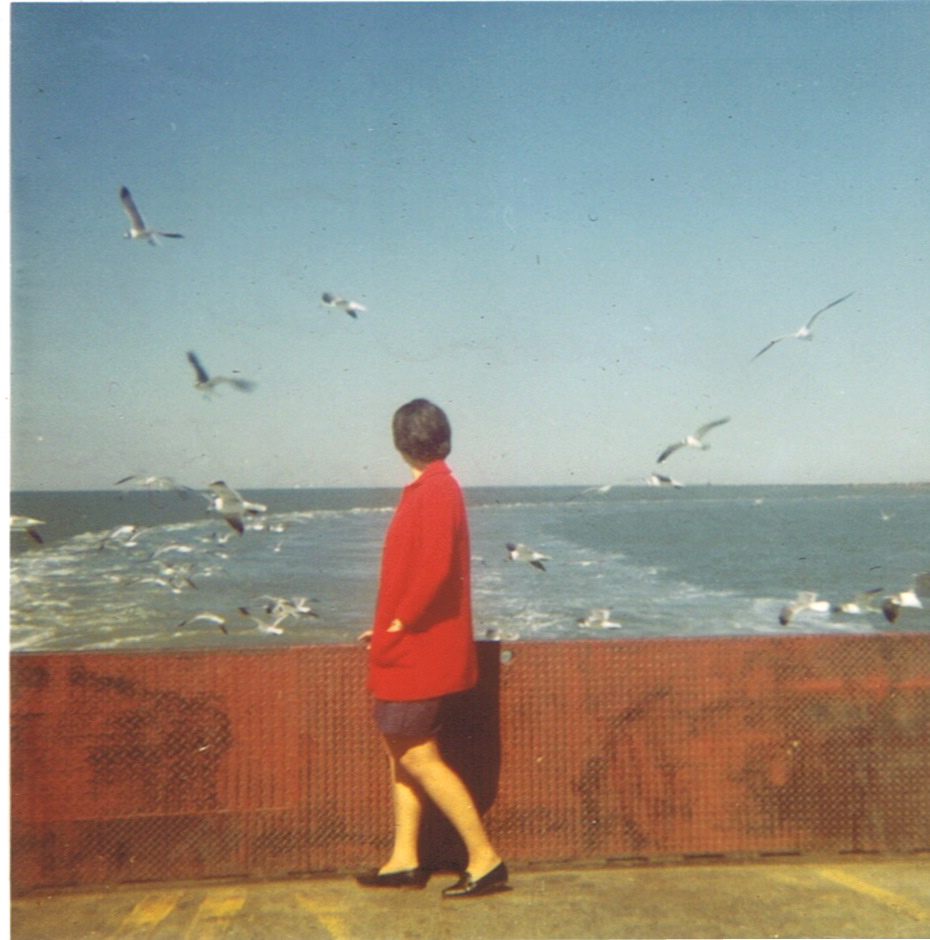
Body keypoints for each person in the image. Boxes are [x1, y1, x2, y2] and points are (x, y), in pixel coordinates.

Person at [356, 398, 509, 898]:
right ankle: (404, 860)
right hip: (409, 644)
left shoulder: (437, 489)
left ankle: (485, 860)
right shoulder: (432, 487)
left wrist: (400, 623)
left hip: (417, 650)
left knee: (417, 755)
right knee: (401, 754)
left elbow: (434, 569)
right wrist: (387, 627)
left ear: (402, 442)